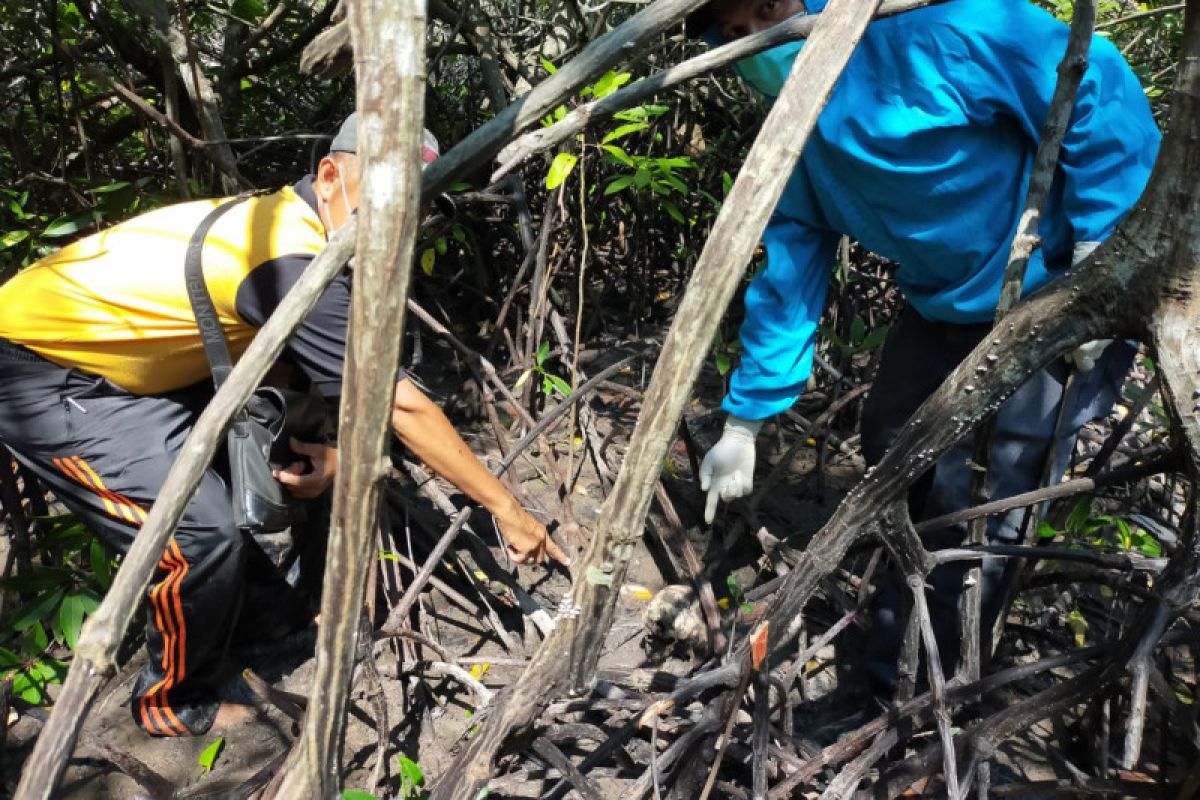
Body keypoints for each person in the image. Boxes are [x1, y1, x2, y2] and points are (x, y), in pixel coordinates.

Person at [0, 114, 567, 736]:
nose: (401, 221)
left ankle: (261, 620)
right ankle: (169, 701)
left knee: (232, 500)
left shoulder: (293, 222)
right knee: (193, 537)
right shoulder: (285, 259)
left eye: (418, 205)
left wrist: (325, 449)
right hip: (41, 371)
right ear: (330, 175)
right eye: (387, 196)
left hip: (132, 364)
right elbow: (400, 407)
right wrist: (508, 512)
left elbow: (299, 361)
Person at [689, 0, 1160, 687]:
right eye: (731, 33)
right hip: (943, 305)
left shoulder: (940, 29)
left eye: (765, 10)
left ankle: (930, 690)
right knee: (890, 439)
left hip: (1055, 291)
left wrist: (1102, 256)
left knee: (987, 503)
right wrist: (746, 419)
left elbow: (1094, 79)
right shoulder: (796, 127)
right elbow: (792, 268)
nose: (754, 35)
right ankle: (896, 624)